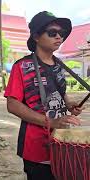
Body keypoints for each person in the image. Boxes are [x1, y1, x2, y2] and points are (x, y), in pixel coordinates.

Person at [5, 11, 84, 180]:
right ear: (36, 36)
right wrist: (52, 122)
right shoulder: (22, 66)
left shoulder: (60, 65)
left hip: (61, 141)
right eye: (52, 33)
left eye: (61, 34)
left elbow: (60, 94)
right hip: (35, 146)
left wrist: (70, 104)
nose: (59, 37)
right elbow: (12, 105)